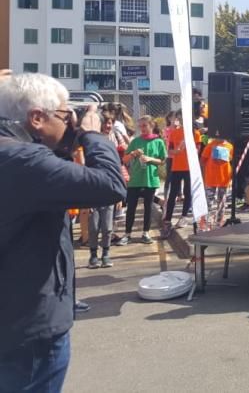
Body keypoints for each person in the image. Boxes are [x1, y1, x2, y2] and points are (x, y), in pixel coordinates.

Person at [0, 73, 126, 391]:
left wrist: (65, 141)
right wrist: (93, 136)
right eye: (63, 113)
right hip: (27, 331)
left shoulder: (14, 155)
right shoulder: (23, 161)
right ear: (37, 118)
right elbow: (110, 185)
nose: (69, 120)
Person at [88, 113, 128, 269]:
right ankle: (93, 256)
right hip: (93, 192)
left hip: (108, 191)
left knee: (107, 227)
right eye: (105, 123)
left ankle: (105, 254)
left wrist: (118, 195)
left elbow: (117, 170)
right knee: (93, 226)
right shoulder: (90, 144)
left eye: (110, 123)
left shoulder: (113, 145)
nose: (107, 126)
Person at [120, 116, 166, 245]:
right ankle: (127, 234)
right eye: (140, 126)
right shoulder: (135, 141)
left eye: (145, 126)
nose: (142, 129)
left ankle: (145, 233)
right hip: (135, 179)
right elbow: (125, 160)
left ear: (151, 126)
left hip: (150, 179)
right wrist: (134, 153)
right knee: (131, 207)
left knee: (148, 207)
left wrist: (150, 159)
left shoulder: (158, 142)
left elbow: (162, 160)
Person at [163, 113, 195, 233]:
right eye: (179, 117)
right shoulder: (174, 132)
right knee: (173, 194)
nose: (180, 120)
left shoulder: (195, 133)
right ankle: (167, 220)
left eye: (182, 117)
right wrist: (175, 151)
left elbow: (199, 149)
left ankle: (184, 217)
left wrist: (190, 148)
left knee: (187, 192)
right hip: (176, 167)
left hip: (189, 168)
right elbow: (169, 149)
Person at [201, 134, 234, 212]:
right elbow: (202, 160)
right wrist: (203, 176)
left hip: (224, 178)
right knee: (208, 202)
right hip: (211, 178)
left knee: (222, 203)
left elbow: (230, 160)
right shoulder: (210, 145)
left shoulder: (230, 146)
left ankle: (219, 221)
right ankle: (206, 220)